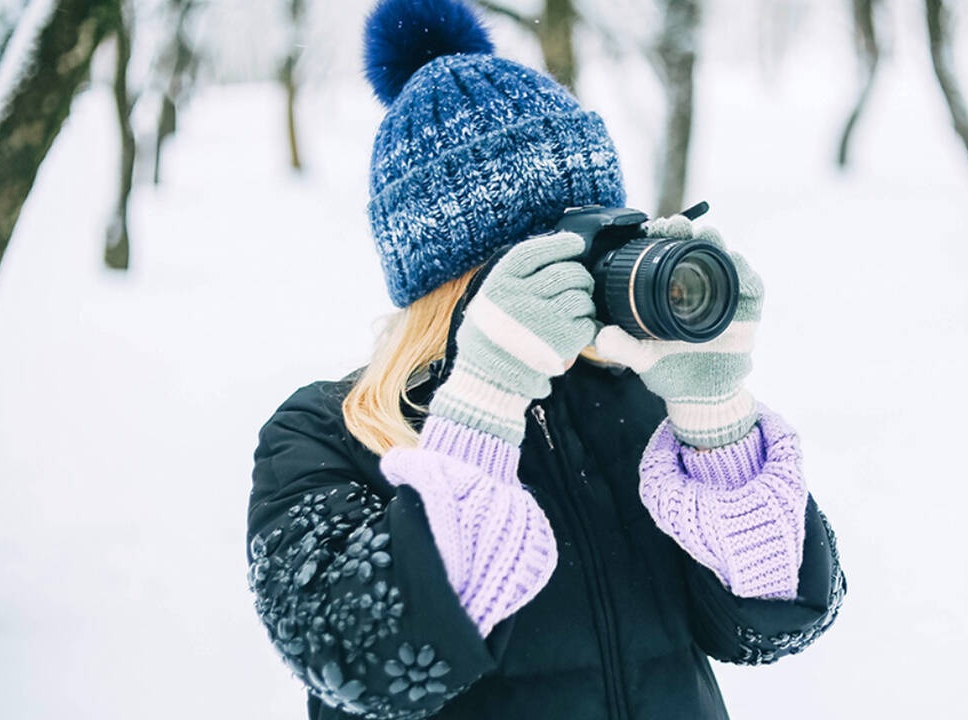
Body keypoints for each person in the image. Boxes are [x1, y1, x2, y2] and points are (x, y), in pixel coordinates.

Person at [246, 1, 846, 718]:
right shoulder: (324, 433)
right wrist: (484, 401)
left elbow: (773, 621)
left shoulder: (643, 396)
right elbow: (361, 661)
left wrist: (714, 417)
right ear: (458, 278)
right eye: (551, 257)